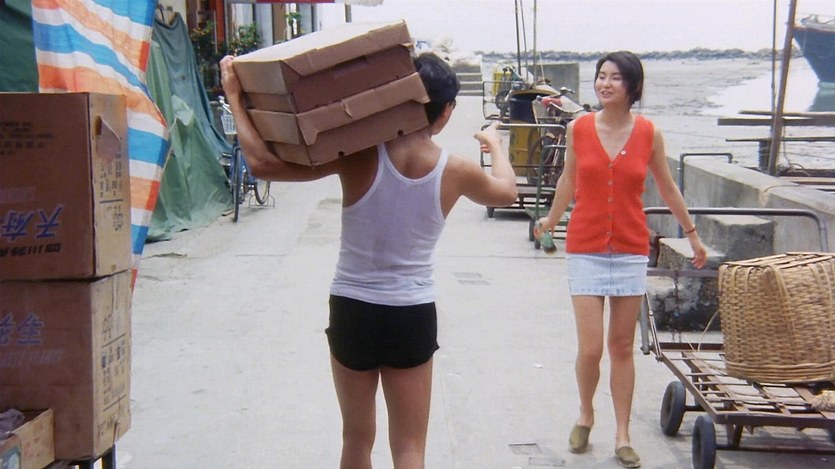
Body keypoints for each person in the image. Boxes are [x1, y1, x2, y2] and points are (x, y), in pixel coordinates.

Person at [220, 52, 517, 469]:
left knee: (356, 441)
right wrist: (495, 144)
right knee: (410, 447)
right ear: (446, 111)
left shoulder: (358, 152)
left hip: (352, 309)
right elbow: (507, 192)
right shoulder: (457, 170)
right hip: (411, 312)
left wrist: (235, 96)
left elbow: (263, 163)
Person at [535, 51, 707, 468]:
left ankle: (623, 434)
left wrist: (692, 235)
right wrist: (550, 220)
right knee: (591, 348)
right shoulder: (578, 128)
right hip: (585, 248)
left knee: (622, 347)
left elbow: (667, 187)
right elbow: (568, 179)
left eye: (614, 77)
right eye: (601, 76)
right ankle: (585, 413)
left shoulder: (649, 133)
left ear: (632, 86)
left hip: (629, 249)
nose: (604, 84)